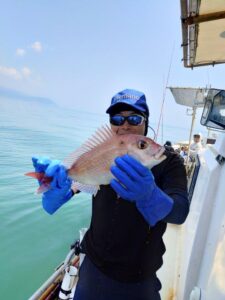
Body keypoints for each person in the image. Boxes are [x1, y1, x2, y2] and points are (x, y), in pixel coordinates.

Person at [32, 89, 189, 300]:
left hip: (139, 280)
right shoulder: (105, 152)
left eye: (134, 118)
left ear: (146, 121)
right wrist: (55, 189)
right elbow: (74, 187)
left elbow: (180, 212)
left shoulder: (168, 161)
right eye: (116, 118)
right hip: (92, 270)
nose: (125, 125)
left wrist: (150, 195)